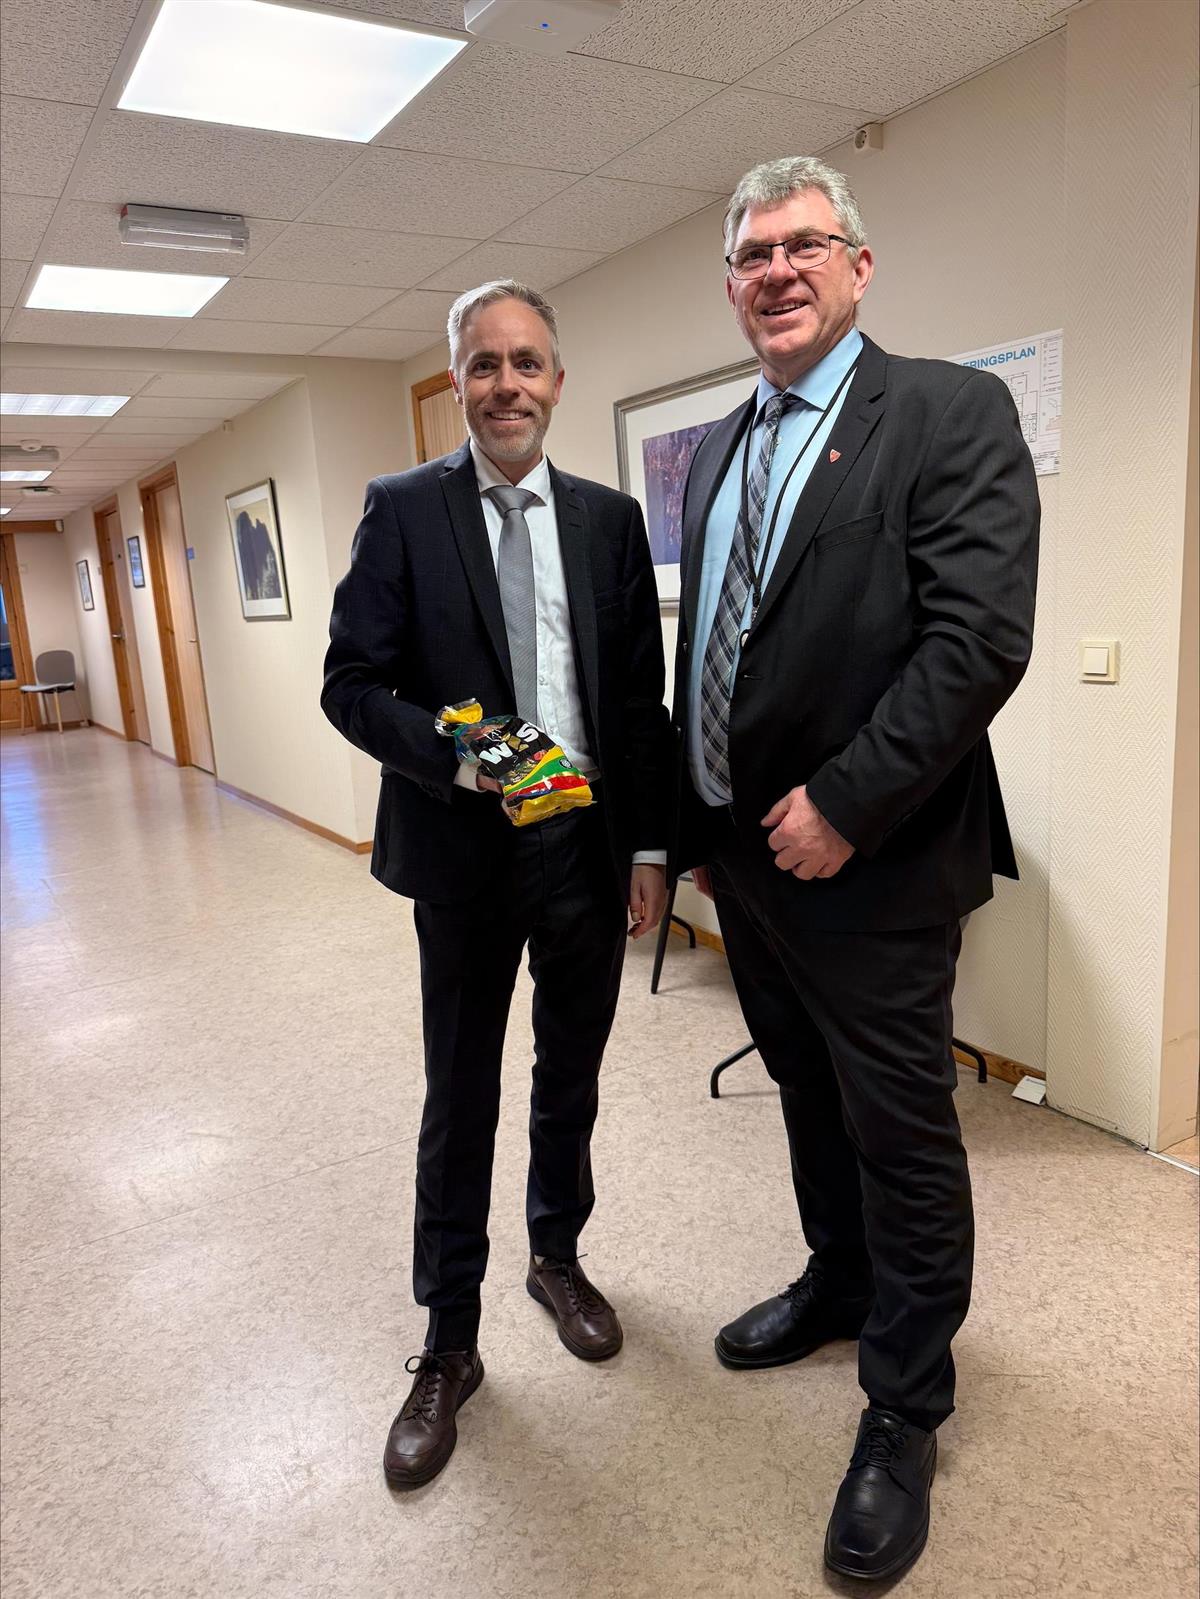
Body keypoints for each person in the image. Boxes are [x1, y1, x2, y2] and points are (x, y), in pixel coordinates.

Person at [672, 157, 1038, 1579]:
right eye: (752, 253)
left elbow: (977, 639)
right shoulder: (718, 447)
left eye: (804, 244)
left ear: (859, 265)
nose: (776, 269)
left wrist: (844, 801)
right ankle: (838, 1279)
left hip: (874, 861)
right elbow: (722, 643)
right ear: (732, 285)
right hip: (746, 864)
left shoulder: (947, 411)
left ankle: (906, 1403)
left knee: (900, 1129)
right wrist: (700, 824)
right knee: (805, 1091)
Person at [323, 279, 669, 1488]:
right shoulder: (404, 510)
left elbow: (637, 703)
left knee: (570, 1074)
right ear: (458, 385)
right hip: (466, 849)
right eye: (484, 364)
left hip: (583, 841)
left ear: (557, 381)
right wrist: (458, 757)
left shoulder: (609, 521)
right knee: (460, 1093)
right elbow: (351, 684)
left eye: (526, 362)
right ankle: (449, 1342)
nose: (506, 384)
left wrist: (648, 849)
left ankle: (555, 1256)